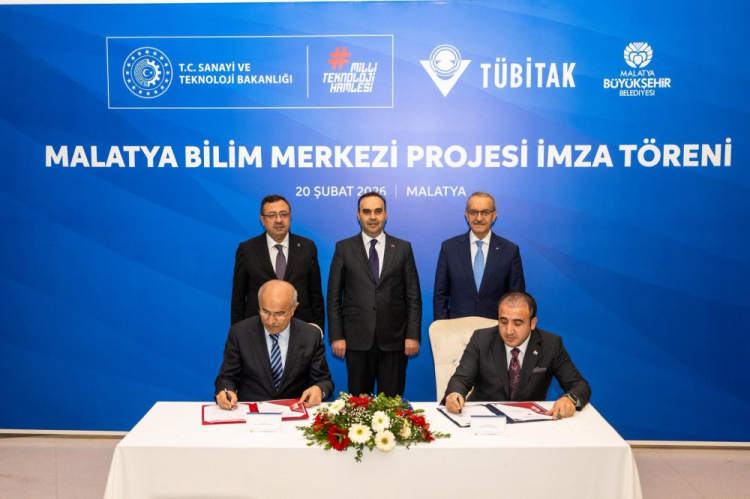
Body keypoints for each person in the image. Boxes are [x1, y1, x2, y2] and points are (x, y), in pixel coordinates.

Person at [327, 192, 422, 397]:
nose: (372, 217)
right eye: (367, 211)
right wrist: (337, 336)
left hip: (394, 340)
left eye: (378, 211)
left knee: (392, 404)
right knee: (359, 404)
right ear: (358, 215)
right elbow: (334, 297)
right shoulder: (343, 248)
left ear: (386, 214)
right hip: (356, 339)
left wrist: (413, 335)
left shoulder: (403, 248)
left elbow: (413, 296)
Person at [444, 292, 590, 419]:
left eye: (517, 323)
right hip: (484, 418)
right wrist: (455, 394)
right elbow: (461, 379)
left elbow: (579, 385)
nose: (509, 331)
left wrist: (569, 399)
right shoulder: (481, 339)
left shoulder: (551, 344)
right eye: (503, 322)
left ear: (532, 323)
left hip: (530, 421)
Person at [215, 280, 333, 408]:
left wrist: (318, 390)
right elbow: (227, 377)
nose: (271, 321)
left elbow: (323, 380)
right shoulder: (240, 333)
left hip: (294, 409)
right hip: (251, 410)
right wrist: (225, 391)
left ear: (293, 309)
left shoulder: (310, 335)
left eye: (279, 314)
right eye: (265, 312)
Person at [231, 194, 325, 331]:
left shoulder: (307, 247)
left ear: (290, 217)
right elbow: (238, 299)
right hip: (258, 329)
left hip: (300, 327)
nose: (279, 220)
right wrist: (238, 334)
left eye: (283, 214)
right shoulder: (247, 249)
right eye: (272, 215)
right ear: (262, 220)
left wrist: (317, 330)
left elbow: (315, 295)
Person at [433, 192, 525, 320]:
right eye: (473, 212)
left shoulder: (510, 251)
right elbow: (440, 296)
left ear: (494, 215)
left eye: (485, 212)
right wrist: (443, 327)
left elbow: (516, 298)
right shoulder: (449, 248)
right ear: (466, 214)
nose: (479, 218)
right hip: (457, 328)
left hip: (495, 328)